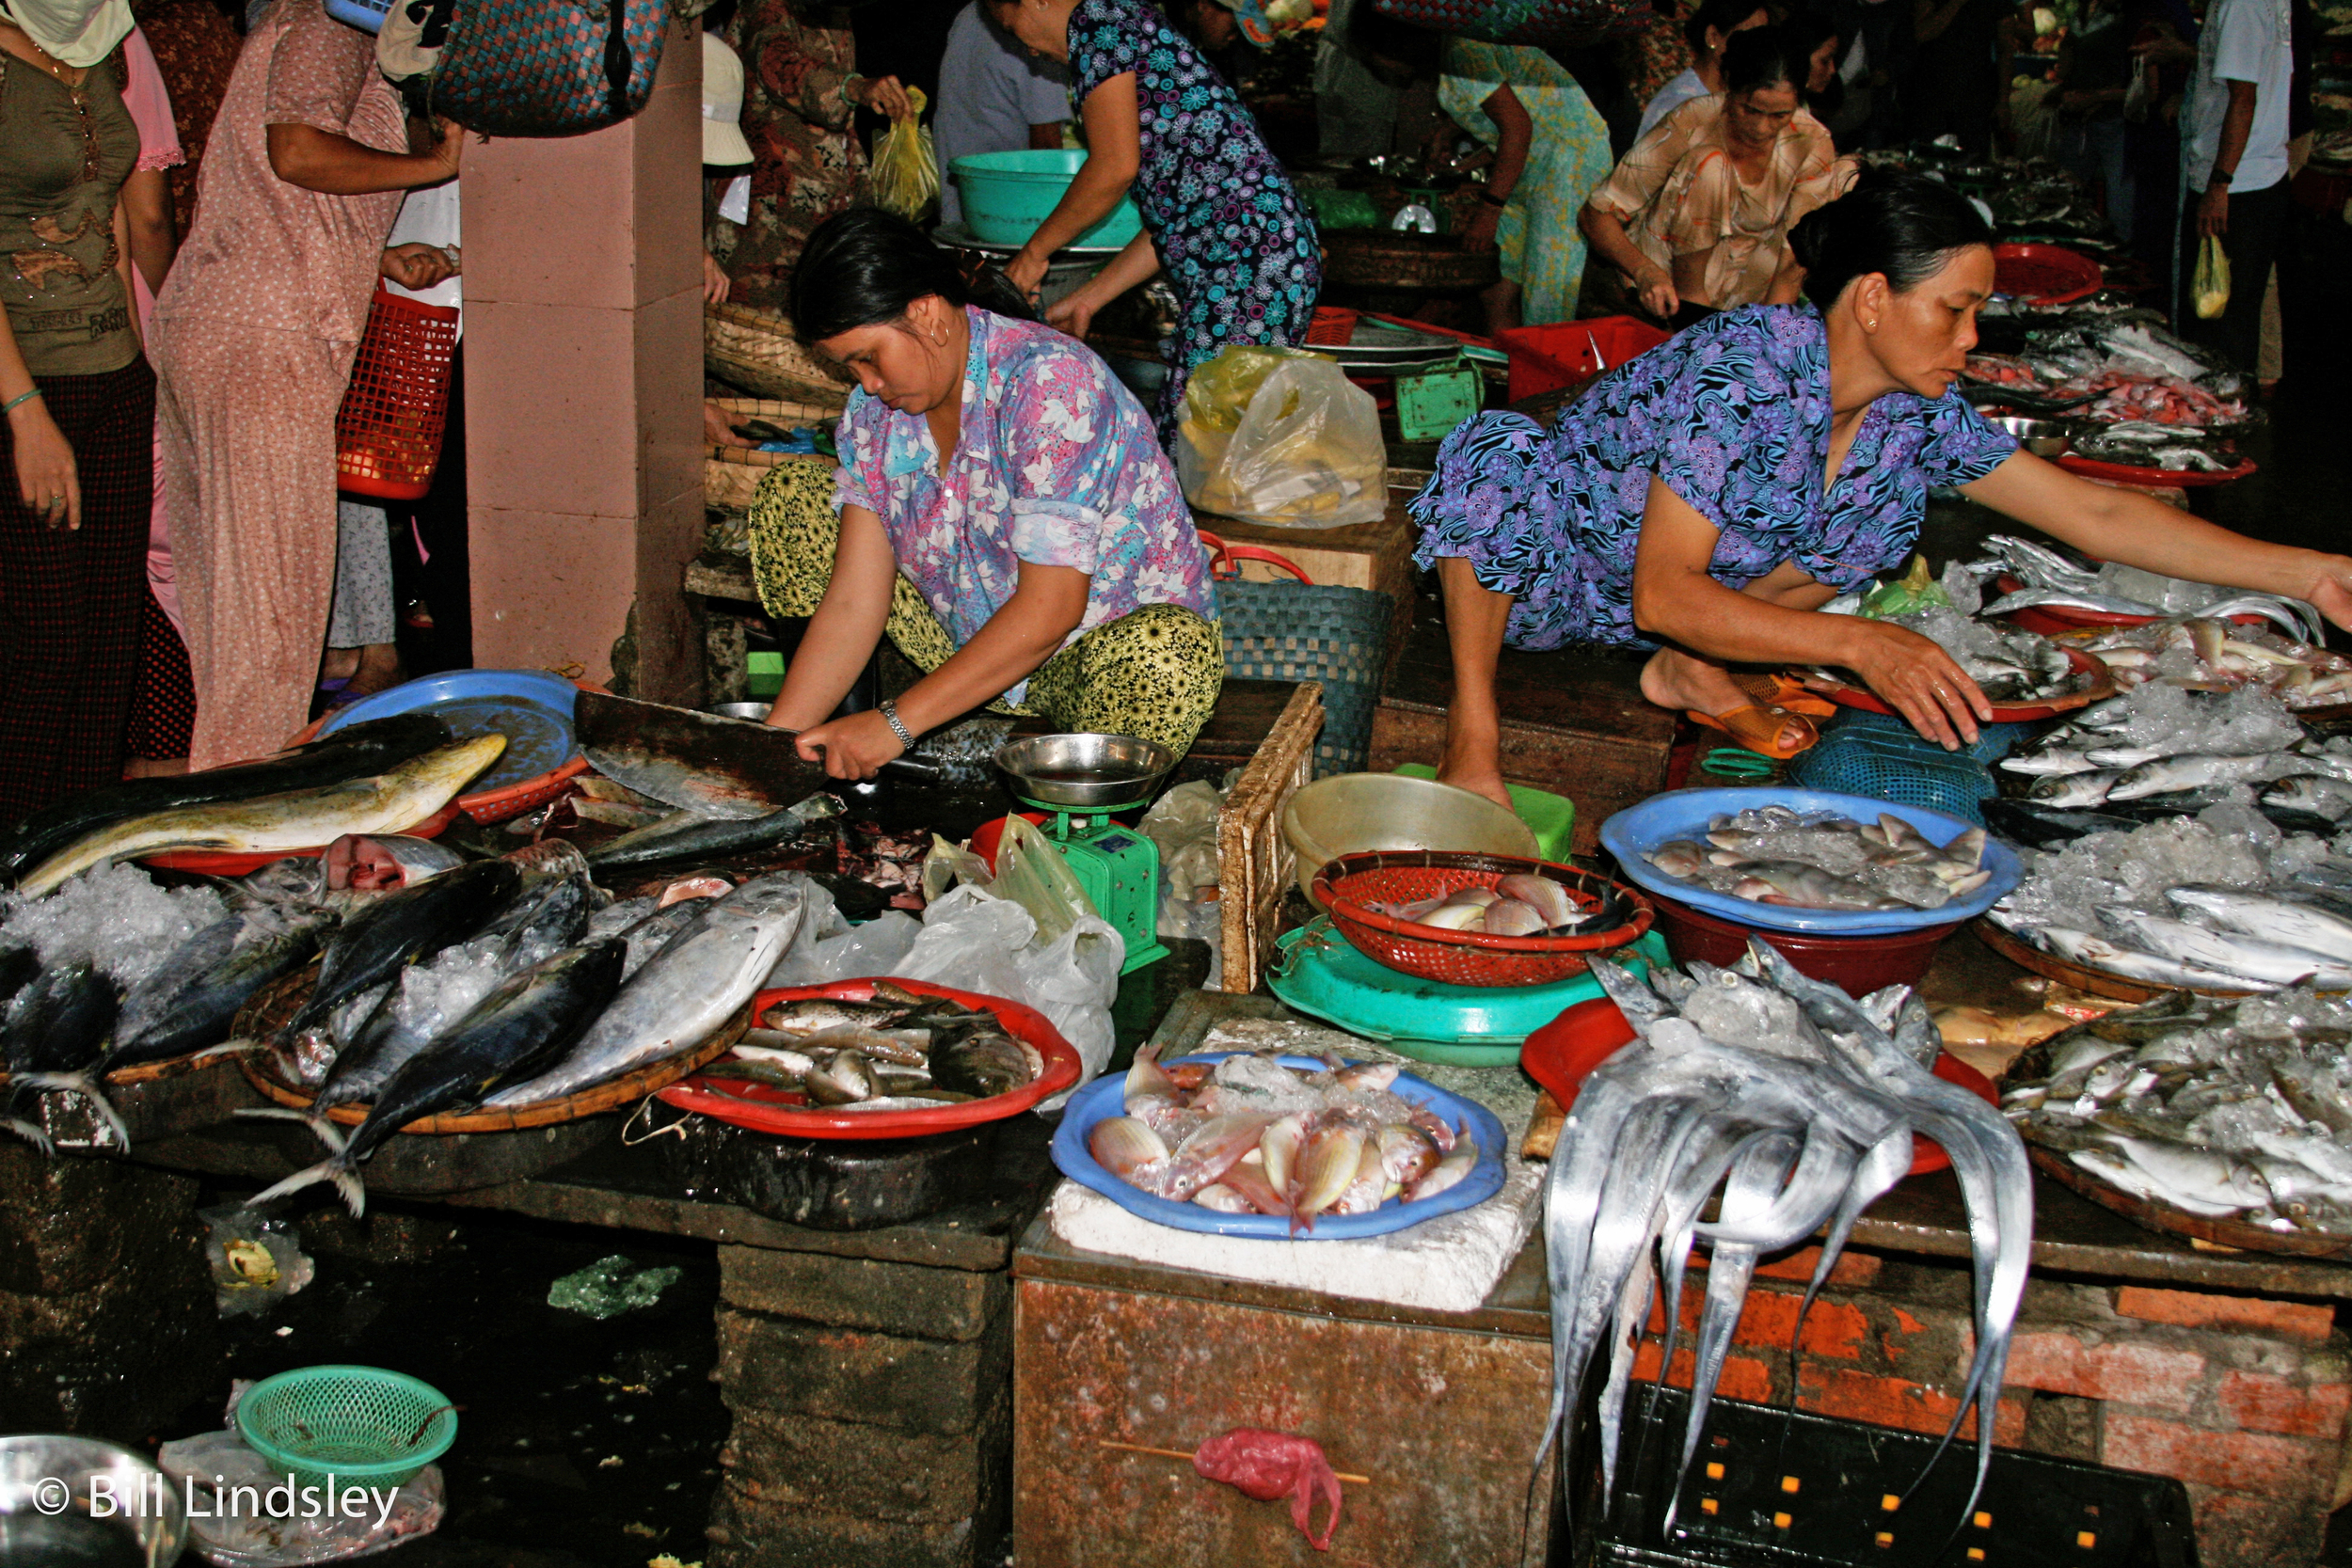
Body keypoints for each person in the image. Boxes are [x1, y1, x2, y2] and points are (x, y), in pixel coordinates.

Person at [1409, 171, 2352, 796]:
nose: (1970, 339)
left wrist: (2306, 573)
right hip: (1560, 567)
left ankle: (1691, 664)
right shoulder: (1742, 373)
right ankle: (1475, 732)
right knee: (1493, 453)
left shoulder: (1914, 412)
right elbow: (1662, 587)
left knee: (1879, 506)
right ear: (1870, 299)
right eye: (1953, 311)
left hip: (1669, 606)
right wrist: (1859, 642)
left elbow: (2094, 513)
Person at [753, 211, 1223, 777]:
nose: (867, 384)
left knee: (1166, 654)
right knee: (793, 497)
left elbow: (1051, 611)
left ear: (926, 314)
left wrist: (895, 726)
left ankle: (1088, 817)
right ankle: (830, 767)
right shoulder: (875, 418)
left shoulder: (1049, 383)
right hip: (975, 651)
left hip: (1092, 663)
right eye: (850, 367)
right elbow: (855, 599)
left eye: (869, 357)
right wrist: (768, 756)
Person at [151, 0, 460, 769]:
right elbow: (295, 153)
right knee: (272, 622)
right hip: (264, 334)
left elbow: (273, 183)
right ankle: (246, 830)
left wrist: (375, 255)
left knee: (235, 621)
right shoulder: (333, 20)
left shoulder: (306, 24)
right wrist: (435, 165)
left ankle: (222, 799)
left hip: (228, 318)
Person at [989, 0, 1319, 448]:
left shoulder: (1096, 23)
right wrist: (1089, 298)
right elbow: (1176, 222)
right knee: (1210, 438)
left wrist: (1033, 254)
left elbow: (1113, 167)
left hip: (1251, 263)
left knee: (1197, 446)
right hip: (1266, 253)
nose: (1027, 51)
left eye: (1014, 31)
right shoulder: (1119, 20)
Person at [0, 0, 152, 821]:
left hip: (115, 378)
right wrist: (27, 415)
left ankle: (75, 858)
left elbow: (119, 211)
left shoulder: (96, 42)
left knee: (107, 639)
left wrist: (137, 362)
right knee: (47, 639)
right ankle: (8, 864)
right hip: (26, 388)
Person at [1582, 26, 1847, 325]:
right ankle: (1691, 311)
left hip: (1742, 295)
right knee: (1711, 165)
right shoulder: (1694, 119)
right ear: (1729, 88)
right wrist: (1643, 270)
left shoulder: (1811, 142)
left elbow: (1790, 265)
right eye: (1751, 110)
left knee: (1826, 204)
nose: (1762, 129)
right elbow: (1597, 215)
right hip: (1665, 283)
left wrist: (1762, 337)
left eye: (1779, 116)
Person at [720, 0, 913, 310]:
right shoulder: (767, 7)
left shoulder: (832, 14)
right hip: (768, 215)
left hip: (825, 209)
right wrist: (854, 88)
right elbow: (781, 65)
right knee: (762, 328)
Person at [1438, 38, 1613, 333]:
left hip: (1569, 161)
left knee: (1546, 295)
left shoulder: (1463, 50)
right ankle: (1506, 367)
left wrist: (1489, 211)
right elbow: (1509, 116)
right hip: (1533, 161)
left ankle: (1547, 373)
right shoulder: (1456, 52)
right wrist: (1450, 145)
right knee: (1497, 286)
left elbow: (1518, 128)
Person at [2171, 0, 2291, 372]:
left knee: (2216, 330)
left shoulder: (2242, 4)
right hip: (2256, 177)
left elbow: (2243, 99)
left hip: (2237, 186)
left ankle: (2219, 423)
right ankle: (2229, 417)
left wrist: (2219, 184)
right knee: (2233, 322)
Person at [932, 0, 1067, 227]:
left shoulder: (971, 13)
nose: (1032, 51)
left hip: (962, 199)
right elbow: (1047, 149)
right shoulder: (1033, 27)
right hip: (1011, 211)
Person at [1636, 0, 1768, 142]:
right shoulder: (1678, 104)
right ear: (1712, 36)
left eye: (1763, 39)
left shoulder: (1744, 98)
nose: (1757, 49)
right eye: (1747, 37)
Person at [1909, 0, 2001, 152]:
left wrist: (2003, 100)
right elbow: (1919, 33)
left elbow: (2005, 48)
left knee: (1971, 158)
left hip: (1975, 97)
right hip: (1930, 95)